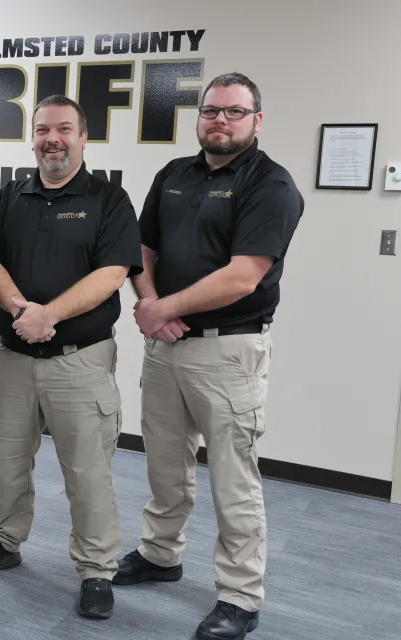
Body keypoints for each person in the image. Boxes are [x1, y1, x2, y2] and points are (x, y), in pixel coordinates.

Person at [118, 72, 304, 640]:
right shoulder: (174, 174)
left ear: (257, 120)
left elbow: (243, 277)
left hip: (228, 352)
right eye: (211, 111)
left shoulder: (271, 184)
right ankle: (160, 554)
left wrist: (161, 308)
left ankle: (240, 596)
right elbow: (142, 248)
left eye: (234, 112)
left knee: (233, 478)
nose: (220, 121)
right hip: (165, 348)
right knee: (164, 465)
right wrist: (152, 306)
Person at [0, 95, 142, 620]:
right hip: (12, 358)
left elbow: (113, 272)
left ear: (84, 138)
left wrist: (50, 315)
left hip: (79, 360)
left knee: (87, 470)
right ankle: (3, 540)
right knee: (7, 459)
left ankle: (96, 568)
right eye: (43, 130)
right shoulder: (13, 194)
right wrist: (19, 307)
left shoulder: (109, 198)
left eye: (64, 129)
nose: (52, 139)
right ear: (32, 137)